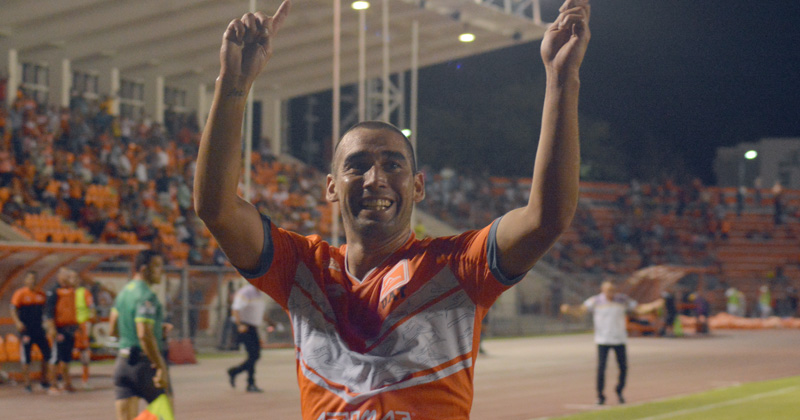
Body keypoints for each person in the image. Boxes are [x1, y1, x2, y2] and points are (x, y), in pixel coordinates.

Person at [194, 0, 590, 418]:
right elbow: (216, 208)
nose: (375, 178)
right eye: (357, 165)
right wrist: (233, 83)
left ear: (418, 187)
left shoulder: (456, 267)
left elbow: (547, 217)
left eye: (393, 164)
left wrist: (562, 78)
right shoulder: (302, 269)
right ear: (331, 187)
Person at [561, 281, 663, 405]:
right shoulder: (595, 301)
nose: (610, 293)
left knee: (623, 368)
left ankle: (619, 391)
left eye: (612, 290)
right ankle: (600, 396)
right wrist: (569, 310)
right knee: (601, 368)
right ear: (603, 290)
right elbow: (581, 310)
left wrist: (653, 305)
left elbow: (639, 309)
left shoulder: (622, 300)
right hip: (603, 340)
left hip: (619, 339)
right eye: (608, 290)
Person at [109, 250, 170, 420]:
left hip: (123, 364)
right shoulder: (147, 295)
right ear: (144, 269)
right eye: (157, 266)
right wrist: (160, 366)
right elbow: (144, 334)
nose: (161, 271)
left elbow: (113, 329)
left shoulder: (124, 293)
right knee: (164, 413)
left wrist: (156, 328)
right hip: (144, 366)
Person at [10, 271, 52, 393]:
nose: (32, 281)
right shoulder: (20, 293)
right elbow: (13, 309)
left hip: (39, 329)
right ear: (25, 280)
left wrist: (47, 323)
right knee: (26, 357)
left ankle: (44, 380)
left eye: (34, 279)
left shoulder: (41, 294)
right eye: (29, 279)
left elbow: (46, 310)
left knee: (47, 354)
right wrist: (17, 322)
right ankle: (27, 383)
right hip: (26, 330)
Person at [226, 283, 268, 392]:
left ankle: (240, 375)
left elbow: (259, 312)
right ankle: (247, 381)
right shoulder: (246, 292)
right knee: (254, 355)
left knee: (254, 355)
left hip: (253, 327)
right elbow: (235, 309)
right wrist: (240, 325)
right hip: (244, 327)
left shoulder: (259, 294)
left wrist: (270, 322)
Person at [44, 267, 79, 394]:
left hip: (70, 328)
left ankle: (66, 383)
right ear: (59, 276)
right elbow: (49, 311)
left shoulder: (71, 290)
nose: (68, 277)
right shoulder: (54, 290)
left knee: (66, 358)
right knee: (55, 357)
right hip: (58, 329)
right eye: (65, 274)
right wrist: (52, 328)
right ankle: (52, 385)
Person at [74, 274, 96, 389]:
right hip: (69, 325)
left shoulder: (84, 292)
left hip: (82, 325)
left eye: (75, 278)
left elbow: (92, 308)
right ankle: (63, 380)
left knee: (85, 352)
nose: (73, 281)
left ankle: (85, 379)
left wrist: (90, 324)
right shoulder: (66, 292)